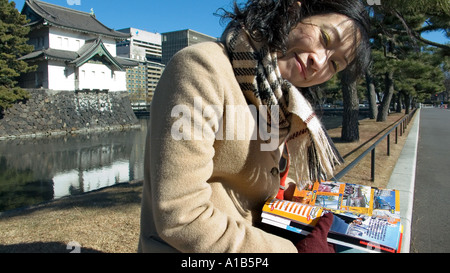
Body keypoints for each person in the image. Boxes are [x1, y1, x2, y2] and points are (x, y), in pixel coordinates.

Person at [138, 0, 371, 253]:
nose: (320, 61)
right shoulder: (200, 69)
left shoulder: (276, 99)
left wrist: (295, 197)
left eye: (335, 64)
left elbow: (262, 181)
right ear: (294, 10)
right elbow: (181, 216)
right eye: (325, 38)